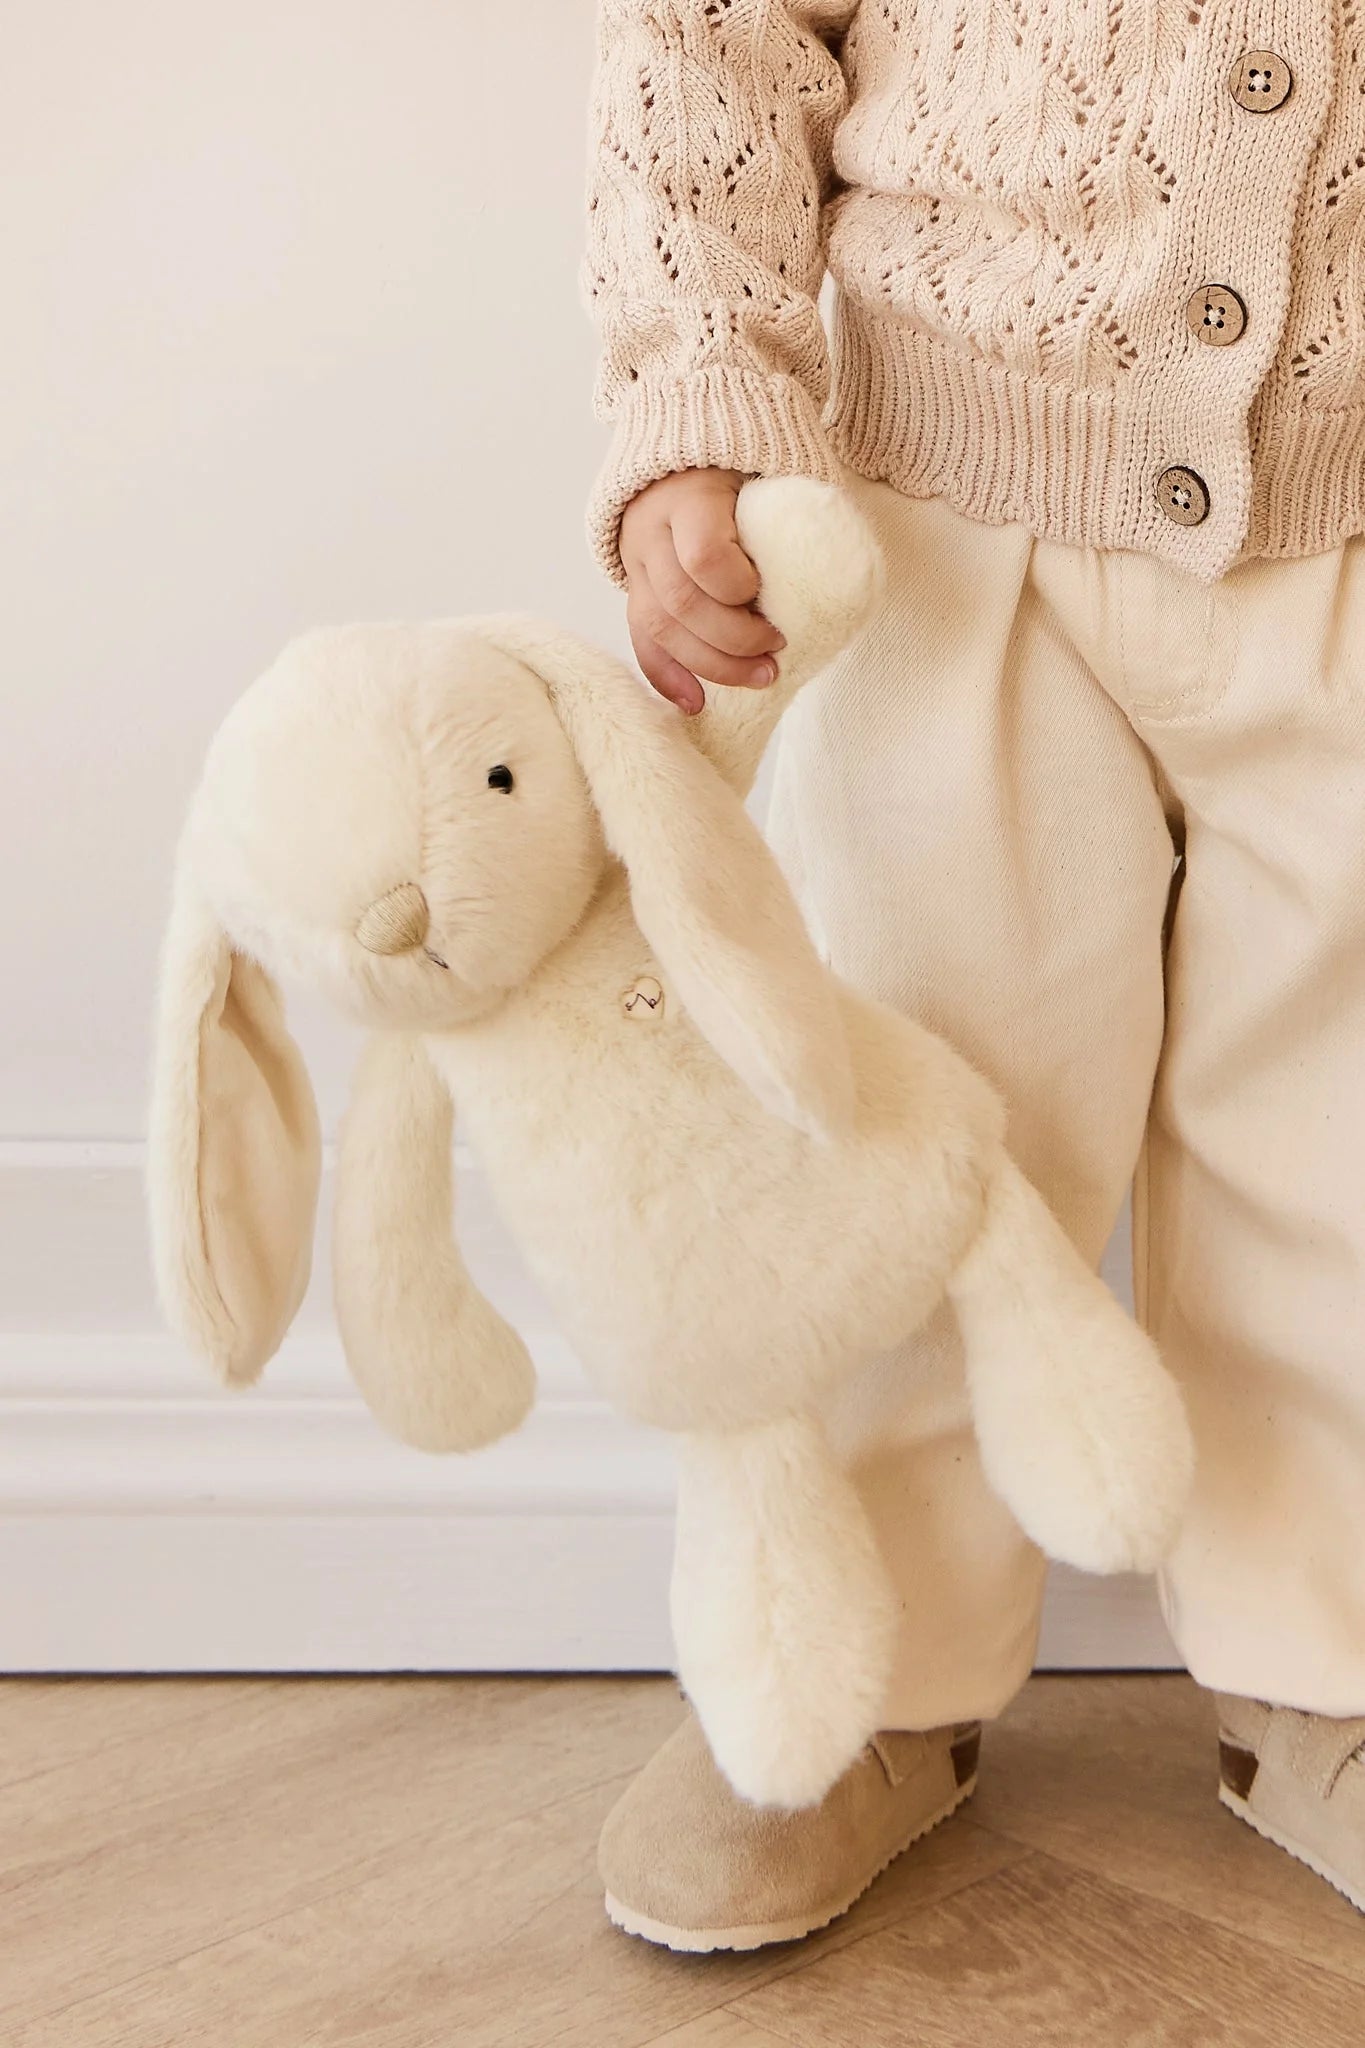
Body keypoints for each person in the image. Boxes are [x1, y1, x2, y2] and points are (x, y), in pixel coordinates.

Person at [582, 1, 1365, 1953]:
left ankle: (1330, 1653)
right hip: (938, 501)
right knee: (904, 1101)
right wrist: (701, 386)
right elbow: (710, 35)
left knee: (1340, 1134)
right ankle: (850, 1669)